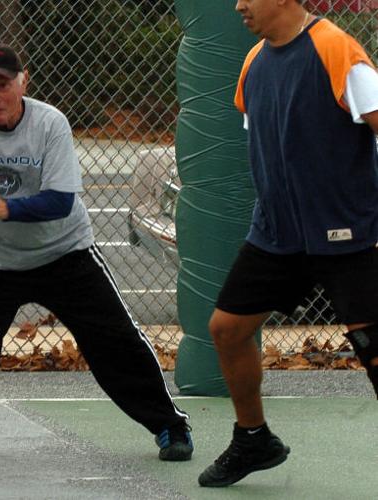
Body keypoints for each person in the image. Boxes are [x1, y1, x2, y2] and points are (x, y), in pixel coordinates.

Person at [0, 43, 193, 463]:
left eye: (3, 85)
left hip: (65, 254)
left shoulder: (50, 123)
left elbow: (60, 201)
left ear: (23, 82)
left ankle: (169, 425)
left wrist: (6, 208)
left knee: (116, 341)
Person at [199, 0, 378, 488]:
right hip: (277, 234)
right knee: (227, 330)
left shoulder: (336, 48)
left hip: (346, 233)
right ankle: (253, 438)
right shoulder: (254, 62)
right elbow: (268, 144)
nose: (238, 5)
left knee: (373, 347)